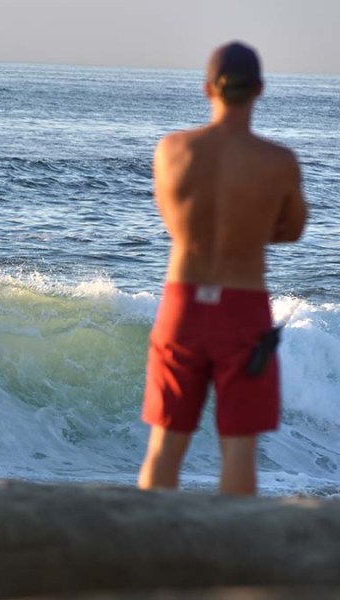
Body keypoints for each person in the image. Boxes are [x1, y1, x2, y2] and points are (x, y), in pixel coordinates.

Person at [137, 41, 308, 495]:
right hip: (242, 306)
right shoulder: (278, 162)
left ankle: (146, 551)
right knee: (238, 447)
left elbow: (175, 222)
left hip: (183, 302)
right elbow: (292, 230)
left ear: (207, 88)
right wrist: (250, 230)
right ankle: (234, 560)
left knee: (166, 443)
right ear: (260, 90)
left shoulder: (172, 150)